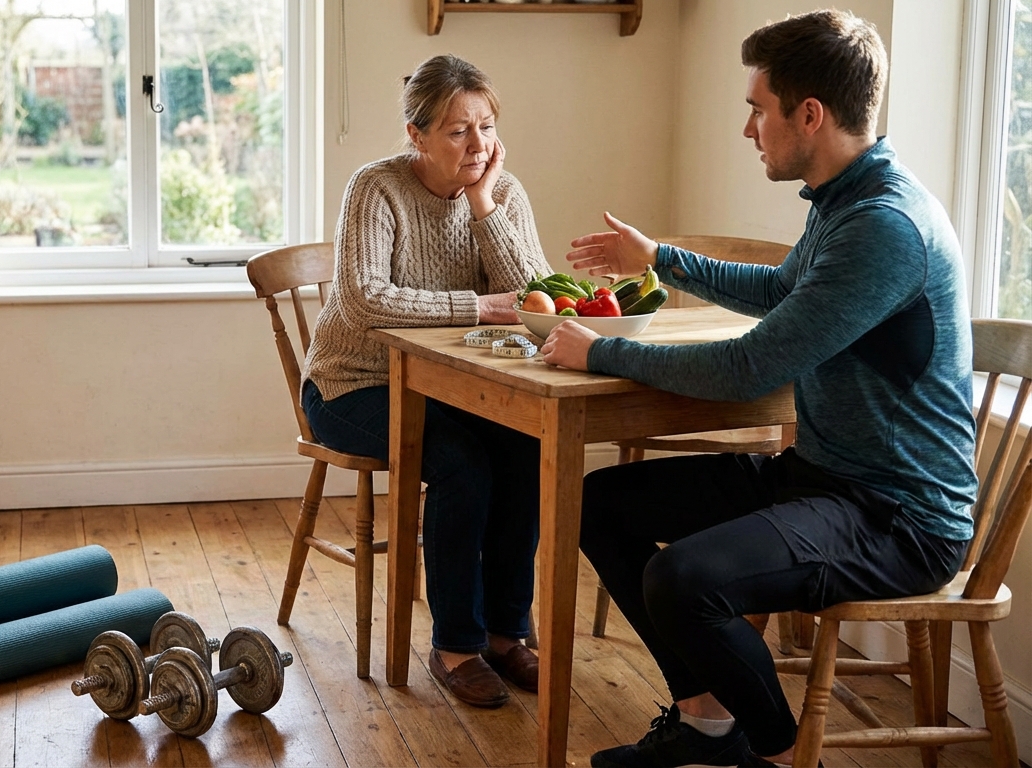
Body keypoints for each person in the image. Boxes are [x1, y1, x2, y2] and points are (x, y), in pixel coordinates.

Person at [540, 10, 975, 768]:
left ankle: (772, 748)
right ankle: (707, 723)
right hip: (824, 480)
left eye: (756, 108)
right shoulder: (845, 203)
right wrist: (661, 259)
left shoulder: (885, 226)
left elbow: (748, 369)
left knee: (681, 579)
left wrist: (603, 351)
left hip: (899, 517)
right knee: (601, 506)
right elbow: (781, 291)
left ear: (809, 114)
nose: (748, 129)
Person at [300, 54, 550, 709]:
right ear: (417, 135)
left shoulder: (502, 191)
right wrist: (478, 306)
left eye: (487, 126)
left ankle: (506, 634)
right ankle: (455, 646)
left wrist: (482, 203)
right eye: (458, 131)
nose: (479, 144)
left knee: (525, 449)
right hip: (353, 385)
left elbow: (535, 298)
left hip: (451, 384)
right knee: (462, 465)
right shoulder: (376, 187)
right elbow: (364, 300)